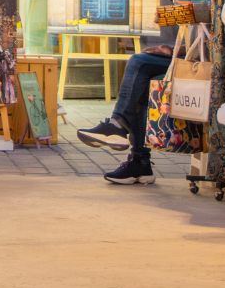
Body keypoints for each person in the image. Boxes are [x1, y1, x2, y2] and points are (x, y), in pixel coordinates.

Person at [74, 42, 175, 184]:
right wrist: (172, 48)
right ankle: (140, 164)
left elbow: (207, 36)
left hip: (204, 61)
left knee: (138, 61)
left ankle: (118, 125)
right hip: (191, 54)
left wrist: (177, 49)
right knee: (141, 85)